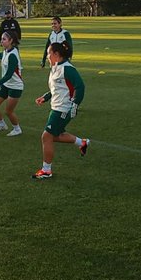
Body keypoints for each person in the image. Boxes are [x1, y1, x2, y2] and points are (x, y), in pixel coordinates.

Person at [33, 41, 88, 179]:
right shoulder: (55, 67)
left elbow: (80, 86)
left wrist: (74, 105)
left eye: (48, 54)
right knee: (55, 135)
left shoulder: (68, 68)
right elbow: (57, 88)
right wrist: (45, 97)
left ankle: (46, 170)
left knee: (46, 136)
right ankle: (82, 143)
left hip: (63, 108)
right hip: (56, 107)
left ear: (56, 54)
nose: (47, 57)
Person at [0, 28, 25, 134]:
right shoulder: (7, 51)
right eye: (1, 39)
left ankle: (17, 129)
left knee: (8, 111)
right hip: (6, 85)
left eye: (4, 39)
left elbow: (8, 75)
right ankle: (2, 125)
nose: (1, 41)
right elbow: (2, 56)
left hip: (15, 86)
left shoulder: (13, 55)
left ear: (11, 41)